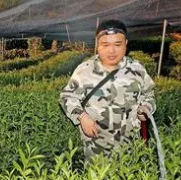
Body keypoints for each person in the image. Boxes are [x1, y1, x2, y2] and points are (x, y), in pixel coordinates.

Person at [59, 19, 156, 160]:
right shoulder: (85, 70)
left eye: (118, 44)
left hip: (131, 148)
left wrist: (146, 108)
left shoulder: (137, 69)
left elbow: (149, 95)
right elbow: (67, 97)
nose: (111, 51)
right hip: (96, 149)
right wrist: (82, 116)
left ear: (126, 44)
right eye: (105, 44)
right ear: (98, 44)